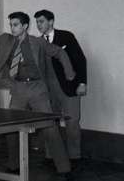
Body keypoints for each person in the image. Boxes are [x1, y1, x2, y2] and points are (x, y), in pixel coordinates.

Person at [0, 11, 75, 178]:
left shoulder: (38, 42)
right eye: (11, 25)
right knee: (11, 126)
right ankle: (13, 164)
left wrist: (69, 73)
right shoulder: (6, 40)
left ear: (25, 26)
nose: (12, 28)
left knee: (50, 126)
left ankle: (63, 168)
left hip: (37, 89)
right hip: (19, 88)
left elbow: (60, 53)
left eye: (16, 25)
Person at [34, 9, 87, 162]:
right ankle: (51, 155)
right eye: (37, 22)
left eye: (41, 21)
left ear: (51, 21)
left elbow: (80, 60)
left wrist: (82, 83)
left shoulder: (66, 36)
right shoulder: (37, 42)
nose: (38, 25)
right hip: (48, 90)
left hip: (69, 87)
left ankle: (74, 156)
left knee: (72, 122)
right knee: (50, 122)